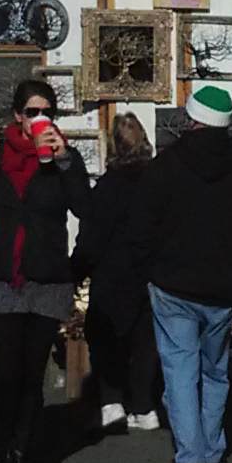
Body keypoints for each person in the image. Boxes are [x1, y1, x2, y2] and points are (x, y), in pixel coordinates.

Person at [133, 80, 232, 463]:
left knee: (180, 370)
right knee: (214, 370)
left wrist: (151, 264)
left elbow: (140, 227)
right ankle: (212, 452)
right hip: (225, 286)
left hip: (173, 284)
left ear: (191, 119)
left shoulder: (165, 166)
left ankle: (191, 460)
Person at [0, 75, 93, 463]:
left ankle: (20, 458)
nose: (40, 119)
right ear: (17, 116)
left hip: (46, 275)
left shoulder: (62, 160)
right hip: (2, 275)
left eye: (47, 112)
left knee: (32, 375)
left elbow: (84, 206)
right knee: (5, 374)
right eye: (32, 112)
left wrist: (66, 157)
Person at [85, 113, 163, 434]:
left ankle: (111, 402)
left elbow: (92, 234)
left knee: (105, 338)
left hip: (111, 273)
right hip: (148, 272)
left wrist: (81, 265)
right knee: (145, 343)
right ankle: (144, 407)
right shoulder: (158, 183)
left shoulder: (106, 186)